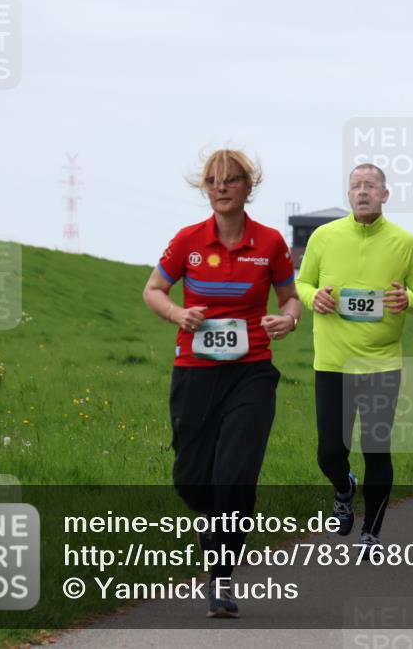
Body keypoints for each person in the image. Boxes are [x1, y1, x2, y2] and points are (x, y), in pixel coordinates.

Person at [142, 149, 301, 618]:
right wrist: (178, 313)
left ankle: (221, 578)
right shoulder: (188, 241)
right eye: (213, 180)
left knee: (234, 477)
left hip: (251, 370)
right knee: (190, 479)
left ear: (248, 187)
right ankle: (214, 525)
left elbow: (292, 299)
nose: (222, 187)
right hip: (194, 370)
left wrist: (286, 321)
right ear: (204, 187)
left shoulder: (270, 243)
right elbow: (153, 289)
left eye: (231, 180)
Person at [296, 163, 413, 554]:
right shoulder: (324, 237)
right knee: (329, 452)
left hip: (381, 364)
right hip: (333, 363)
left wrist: (408, 300)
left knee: (377, 449)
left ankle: (371, 533)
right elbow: (302, 283)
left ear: (385, 195)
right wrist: (313, 297)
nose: (362, 192)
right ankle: (344, 488)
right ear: (348, 194)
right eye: (355, 186)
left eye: (370, 186)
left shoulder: (404, 242)